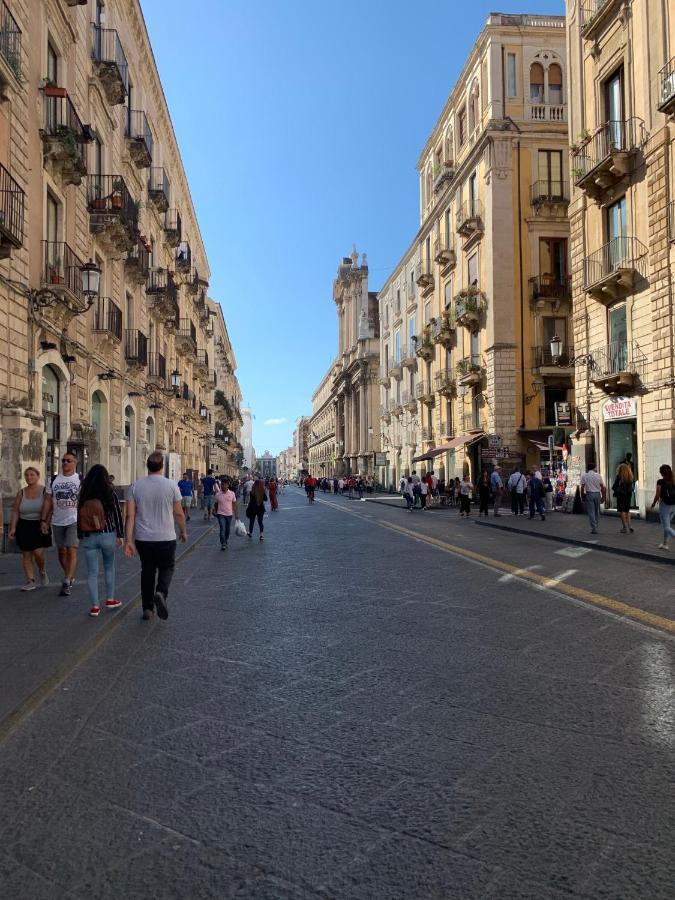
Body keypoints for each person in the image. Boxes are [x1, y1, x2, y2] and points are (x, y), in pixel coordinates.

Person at [124, 451, 187, 621]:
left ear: (147, 466)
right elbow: (179, 513)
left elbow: (130, 516)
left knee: (147, 572)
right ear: (162, 466)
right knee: (167, 567)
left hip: (144, 538)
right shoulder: (171, 485)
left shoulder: (135, 486)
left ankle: (147, 609)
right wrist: (183, 531)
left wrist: (128, 540)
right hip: (166, 536)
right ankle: (161, 592)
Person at [77, 464, 124, 618]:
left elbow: (79, 516)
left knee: (92, 573)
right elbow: (117, 514)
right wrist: (120, 535)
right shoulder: (110, 493)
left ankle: (95, 606)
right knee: (109, 567)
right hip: (107, 535)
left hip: (89, 536)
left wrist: (80, 534)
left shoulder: (84, 494)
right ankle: (110, 599)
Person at [40, 451, 81, 596]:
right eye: (63, 460)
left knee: (71, 549)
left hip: (74, 520)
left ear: (75, 463)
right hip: (57, 521)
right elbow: (47, 501)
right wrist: (44, 520)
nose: (65, 463)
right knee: (61, 552)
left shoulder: (80, 480)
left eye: (68, 461)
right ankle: (69, 575)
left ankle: (67, 581)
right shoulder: (53, 480)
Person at [9, 467, 51, 591]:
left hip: (40, 525)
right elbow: (15, 511)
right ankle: (30, 581)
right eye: (27, 475)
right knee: (26, 554)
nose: (29, 477)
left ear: (38, 476)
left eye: (32, 475)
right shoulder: (21, 493)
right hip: (24, 525)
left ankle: (42, 571)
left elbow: (50, 510)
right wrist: (12, 528)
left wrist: (47, 524)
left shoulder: (45, 491)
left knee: (38, 553)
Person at [652, 464, 675, 550]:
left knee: (666, 527)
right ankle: (665, 544)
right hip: (674, 506)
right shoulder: (673, 480)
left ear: (662, 473)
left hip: (665, 506)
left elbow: (657, 494)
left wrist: (654, 503)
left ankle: (666, 543)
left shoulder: (660, 482)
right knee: (667, 526)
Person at [580, 461, 605, 535]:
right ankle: (596, 526)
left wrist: (582, 496)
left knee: (591, 512)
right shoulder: (598, 475)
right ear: (594, 468)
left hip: (589, 494)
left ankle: (594, 528)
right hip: (597, 494)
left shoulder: (584, 476)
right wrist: (603, 496)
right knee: (596, 511)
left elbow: (582, 487)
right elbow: (602, 487)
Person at [214, 477, 238, 549]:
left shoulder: (232, 493)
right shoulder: (218, 494)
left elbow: (234, 504)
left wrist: (236, 514)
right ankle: (223, 543)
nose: (222, 486)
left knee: (227, 530)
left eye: (224, 485)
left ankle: (225, 540)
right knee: (222, 528)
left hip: (229, 514)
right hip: (220, 514)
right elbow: (216, 504)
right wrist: (214, 510)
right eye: (222, 485)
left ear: (228, 485)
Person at [612, 463, 634, 534]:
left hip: (621, 495)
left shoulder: (619, 477)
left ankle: (624, 527)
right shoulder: (630, 476)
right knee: (627, 510)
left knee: (622, 511)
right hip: (628, 495)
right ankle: (630, 526)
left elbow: (614, 487)